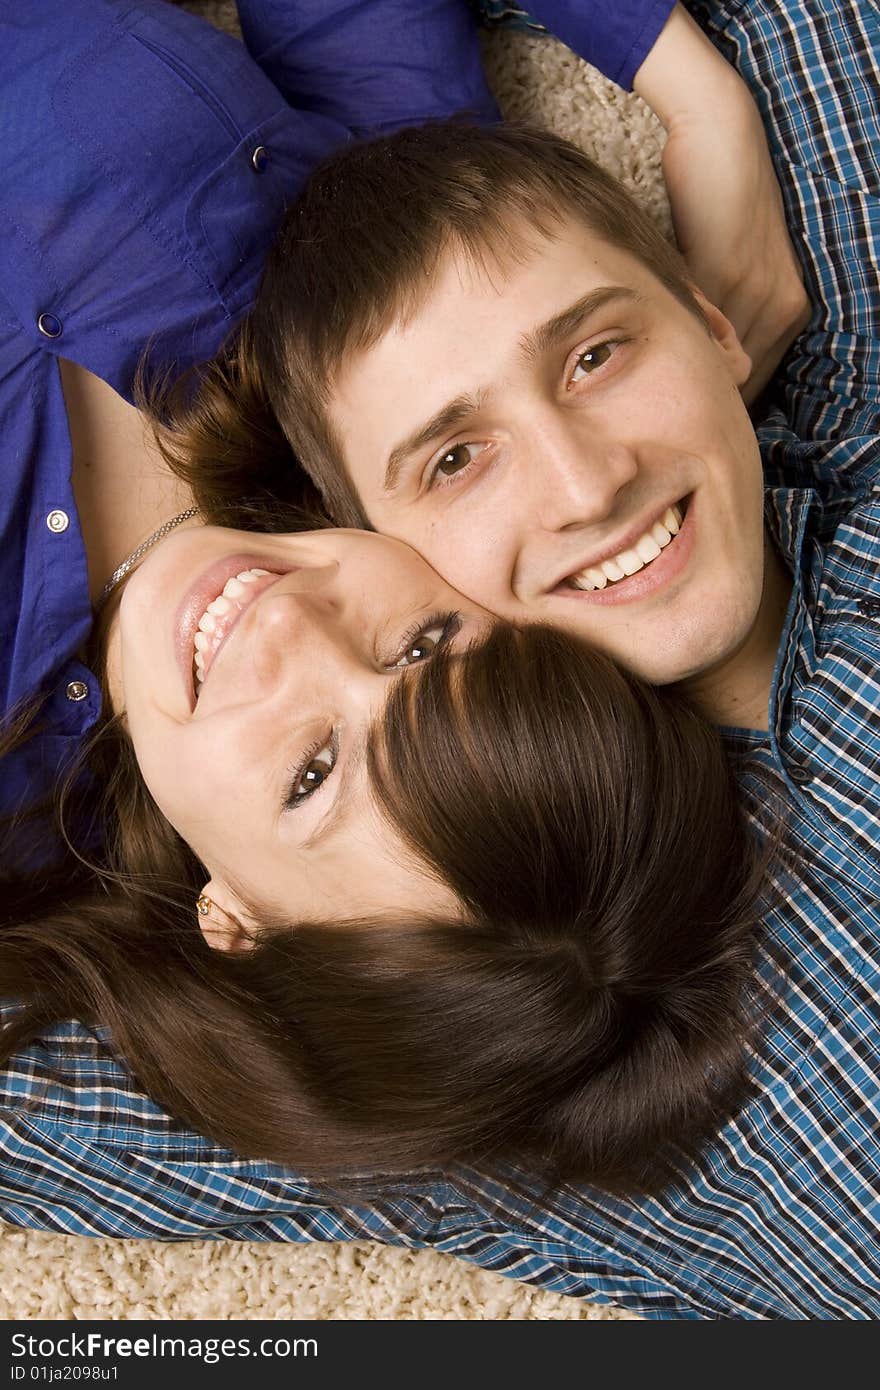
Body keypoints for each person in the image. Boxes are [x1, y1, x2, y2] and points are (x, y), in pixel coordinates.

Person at [0, 0, 856, 1318]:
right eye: (423, 643)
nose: (292, 631)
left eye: (310, 772)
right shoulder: (369, 308)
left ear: (235, 920)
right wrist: (695, 88)